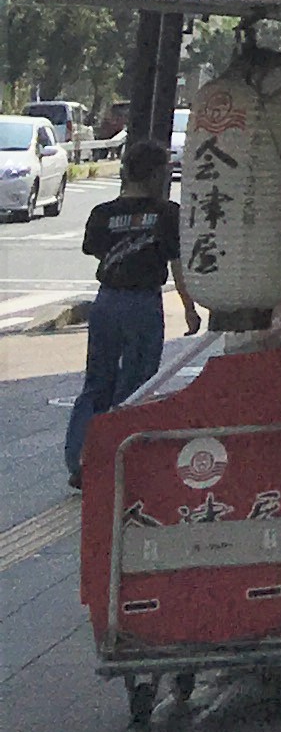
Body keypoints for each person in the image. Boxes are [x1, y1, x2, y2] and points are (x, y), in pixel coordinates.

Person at [67, 138, 201, 487]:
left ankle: (81, 458)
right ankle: (121, 455)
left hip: (106, 301)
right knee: (139, 382)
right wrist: (189, 308)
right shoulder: (167, 214)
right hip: (143, 303)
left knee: (97, 381)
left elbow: (95, 250)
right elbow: (177, 266)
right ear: (157, 173)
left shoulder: (103, 213)